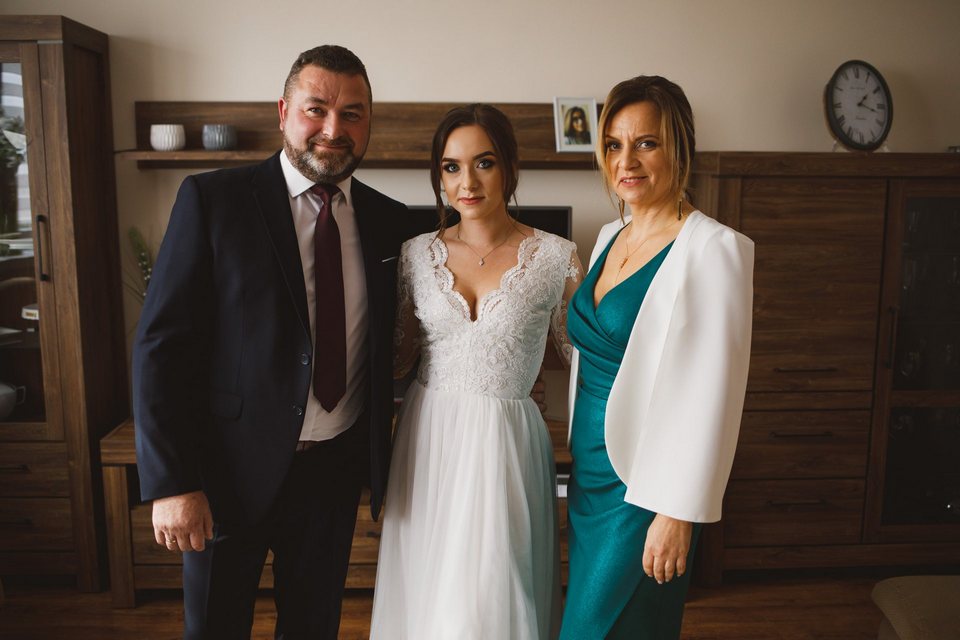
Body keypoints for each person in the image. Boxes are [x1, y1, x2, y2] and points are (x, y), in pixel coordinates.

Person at [132, 45, 410, 639]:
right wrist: (173, 483)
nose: (333, 129)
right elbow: (161, 349)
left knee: (314, 628)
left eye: (352, 114)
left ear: (369, 123)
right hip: (224, 474)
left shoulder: (392, 221)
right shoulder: (213, 200)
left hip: (333, 475)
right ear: (284, 112)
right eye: (316, 109)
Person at [369, 104, 583, 640]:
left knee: (493, 590)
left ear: (509, 167)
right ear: (439, 176)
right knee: (433, 588)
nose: (467, 182)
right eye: (451, 167)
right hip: (428, 438)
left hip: (507, 443)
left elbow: (584, 361)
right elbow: (396, 358)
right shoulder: (414, 255)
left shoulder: (557, 257)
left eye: (483, 163)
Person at [559, 75, 754, 639]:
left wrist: (677, 511)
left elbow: (714, 395)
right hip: (589, 473)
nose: (627, 161)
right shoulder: (608, 236)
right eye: (614, 145)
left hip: (648, 484)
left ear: (680, 148)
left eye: (646, 143)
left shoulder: (714, 248)